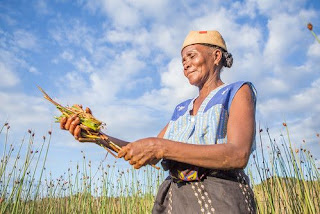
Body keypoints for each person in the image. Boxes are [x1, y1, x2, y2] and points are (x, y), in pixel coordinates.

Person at [61, 30, 257, 214]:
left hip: (220, 200)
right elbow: (147, 152)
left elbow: (238, 154)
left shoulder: (237, 92)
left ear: (216, 57)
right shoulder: (181, 110)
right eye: (183, 60)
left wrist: (160, 146)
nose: (186, 64)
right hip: (178, 201)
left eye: (192, 56)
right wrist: (97, 136)